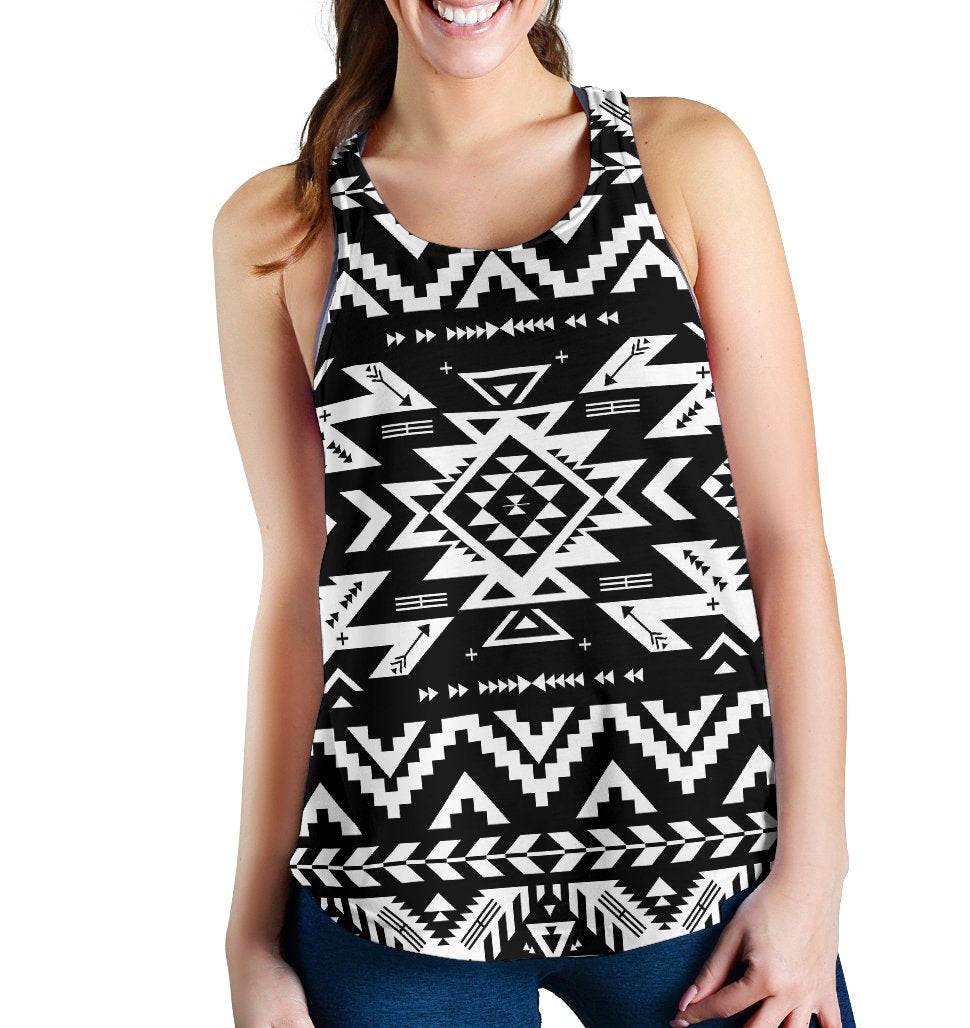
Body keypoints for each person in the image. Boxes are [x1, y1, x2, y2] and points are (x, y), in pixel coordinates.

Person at [212, 2, 856, 1027]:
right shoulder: (281, 227)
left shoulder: (684, 161)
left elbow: (785, 540)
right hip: (391, 886)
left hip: (699, 869)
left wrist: (814, 874)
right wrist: (248, 935)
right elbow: (300, 587)